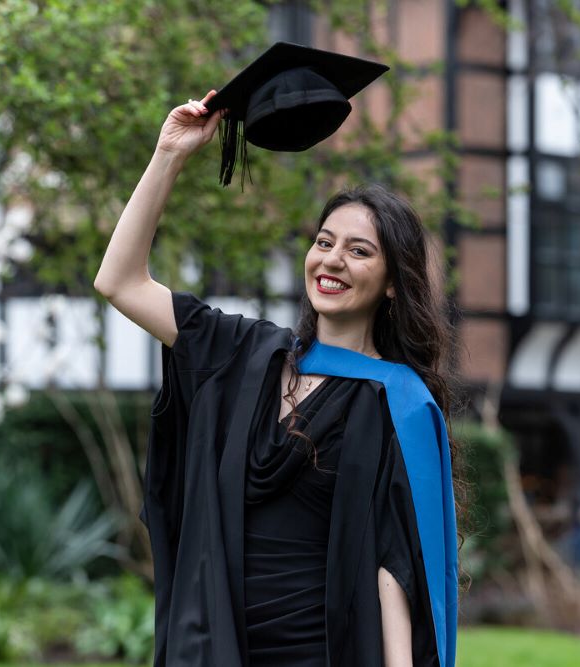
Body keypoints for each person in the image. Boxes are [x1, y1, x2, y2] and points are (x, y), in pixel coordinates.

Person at [94, 91, 461, 667]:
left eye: (359, 251)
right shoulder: (246, 356)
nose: (332, 260)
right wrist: (169, 154)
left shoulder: (398, 402)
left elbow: (395, 569)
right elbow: (120, 282)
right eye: (323, 242)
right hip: (219, 646)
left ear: (393, 282)